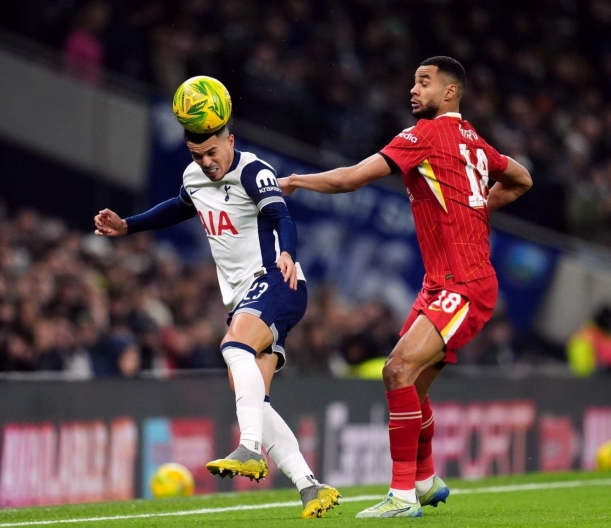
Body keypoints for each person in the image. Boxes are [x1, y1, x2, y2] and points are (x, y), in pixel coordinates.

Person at [281, 56, 532, 518]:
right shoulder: (474, 140)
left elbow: (349, 179)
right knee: (411, 388)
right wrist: (479, 208)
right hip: (440, 284)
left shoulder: (424, 136)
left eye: (424, 81)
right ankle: (426, 480)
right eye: (412, 80)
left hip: (463, 284)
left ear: (450, 91)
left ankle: (402, 498)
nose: (413, 90)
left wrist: (295, 180)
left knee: (396, 370)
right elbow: (521, 179)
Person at [93, 118, 340, 518]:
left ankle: (250, 449)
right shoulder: (194, 176)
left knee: (233, 346)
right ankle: (310, 487)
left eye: (212, 152)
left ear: (231, 141)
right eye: (197, 155)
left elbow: (282, 217)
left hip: (277, 279)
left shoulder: (254, 171)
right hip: (243, 296)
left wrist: (289, 253)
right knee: (253, 397)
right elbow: (178, 207)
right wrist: (128, 225)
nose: (207, 162)